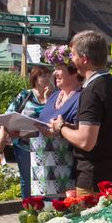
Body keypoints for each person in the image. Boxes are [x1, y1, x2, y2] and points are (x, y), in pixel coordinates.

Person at [48, 30, 112, 193]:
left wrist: (61, 127)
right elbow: (104, 130)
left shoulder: (92, 90)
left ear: (85, 59)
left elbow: (86, 142)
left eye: (73, 55)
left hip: (94, 180)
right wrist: (73, 127)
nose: (71, 60)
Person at [0, 66, 54, 199]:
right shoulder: (25, 95)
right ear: (35, 79)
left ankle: (46, 210)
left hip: (47, 145)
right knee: (26, 180)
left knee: (46, 180)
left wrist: (48, 98)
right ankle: (28, 209)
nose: (47, 79)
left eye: (48, 75)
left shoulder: (55, 95)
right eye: (43, 76)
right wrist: (2, 135)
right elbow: (9, 115)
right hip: (24, 145)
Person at [30, 51, 83, 197]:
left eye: (60, 69)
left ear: (74, 72)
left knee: (62, 211)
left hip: (65, 167)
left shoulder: (82, 97)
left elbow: (82, 130)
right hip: (43, 165)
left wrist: (59, 129)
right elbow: (43, 120)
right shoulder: (54, 96)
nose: (55, 73)